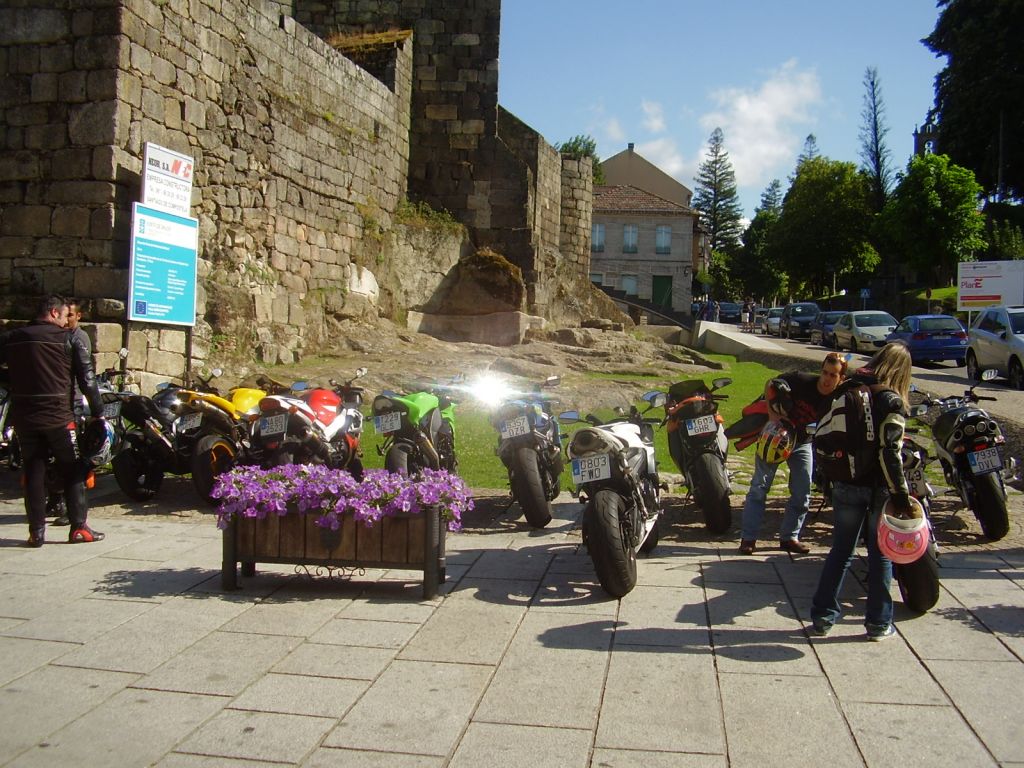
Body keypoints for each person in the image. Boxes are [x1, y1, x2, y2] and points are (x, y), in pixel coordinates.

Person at [810, 342, 913, 641]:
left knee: (840, 551)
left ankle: (822, 618)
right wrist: (901, 495)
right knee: (881, 555)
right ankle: (879, 623)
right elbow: (890, 453)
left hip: (845, 482)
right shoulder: (890, 400)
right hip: (879, 487)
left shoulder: (849, 388)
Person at [0, 295, 106, 546]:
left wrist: (12, 382)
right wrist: (98, 413)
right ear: (55, 313)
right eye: (63, 315)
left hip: (25, 417)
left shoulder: (13, 338)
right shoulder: (67, 339)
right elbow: (87, 380)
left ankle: (36, 532)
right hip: (60, 416)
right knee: (74, 469)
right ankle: (79, 527)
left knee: (34, 471)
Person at [739, 352, 847, 555]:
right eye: (824, 372)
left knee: (802, 492)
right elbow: (771, 383)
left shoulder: (837, 398)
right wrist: (773, 417)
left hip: (802, 443)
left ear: (840, 379)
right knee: (759, 487)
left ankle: (790, 537)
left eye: (833, 375)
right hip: (775, 437)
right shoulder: (801, 380)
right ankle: (748, 538)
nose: (826, 379)